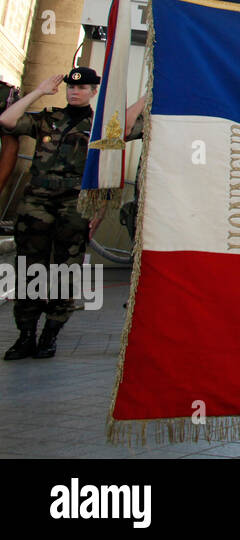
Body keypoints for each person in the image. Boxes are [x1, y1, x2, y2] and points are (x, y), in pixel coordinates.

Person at [2, 67, 146, 360]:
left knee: (64, 271)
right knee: (30, 269)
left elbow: (129, 127)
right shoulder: (48, 119)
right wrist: (39, 91)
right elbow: (7, 120)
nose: (74, 92)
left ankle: (49, 336)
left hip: (74, 206)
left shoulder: (101, 126)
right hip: (35, 206)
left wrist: (146, 95)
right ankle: (25, 335)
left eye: (82, 88)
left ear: (94, 91)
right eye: (70, 87)